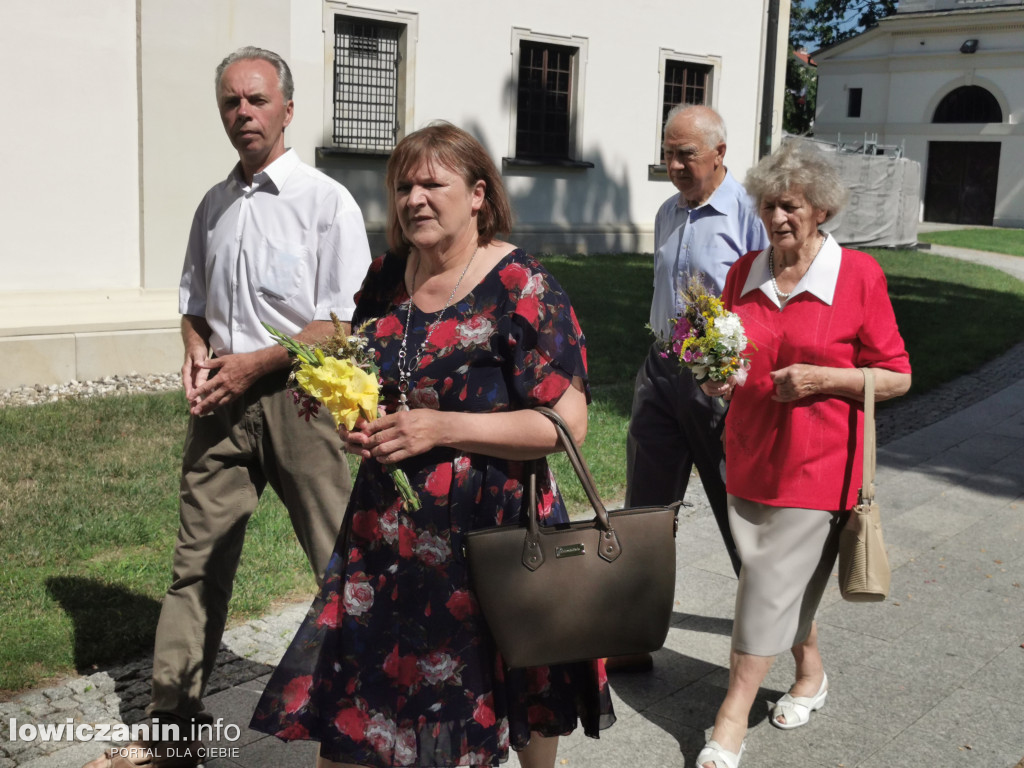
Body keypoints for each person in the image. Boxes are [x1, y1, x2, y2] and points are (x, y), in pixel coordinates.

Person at [248, 121, 614, 768]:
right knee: (359, 694)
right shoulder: (387, 278)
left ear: (477, 194)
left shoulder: (524, 288)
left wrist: (443, 427)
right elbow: (370, 376)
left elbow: (565, 425)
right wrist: (360, 420)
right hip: (385, 530)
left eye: (431, 184)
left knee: (505, 682)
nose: (414, 197)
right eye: (403, 185)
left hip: (488, 532)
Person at [84, 46, 372, 768]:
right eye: (230, 103)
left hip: (302, 404)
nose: (243, 113)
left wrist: (259, 363)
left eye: (256, 100)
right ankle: (171, 724)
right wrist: (193, 346)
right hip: (220, 403)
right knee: (196, 565)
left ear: (287, 109)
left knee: (342, 561)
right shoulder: (213, 206)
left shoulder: (324, 201)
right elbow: (194, 303)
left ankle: (376, 708)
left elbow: (344, 321)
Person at [694, 139, 911, 768]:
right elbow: (734, 360)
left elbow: (896, 376)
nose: (777, 218)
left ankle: (731, 715)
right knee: (773, 582)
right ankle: (810, 672)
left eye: (790, 206)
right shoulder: (745, 273)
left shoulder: (858, 277)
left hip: (819, 464)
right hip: (750, 452)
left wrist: (823, 380)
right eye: (767, 206)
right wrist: (716, 377)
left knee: (765, 581)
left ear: (820, 210)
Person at [609, 104, 768, 674]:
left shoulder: (751, 214)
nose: (673, 164)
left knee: (739, 510)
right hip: (661, 370)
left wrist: (735, 374)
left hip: (720, 382)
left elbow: (770, 299)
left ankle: (769, 639)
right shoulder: (667, 211)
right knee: (645, 509)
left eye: (687, 154)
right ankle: (633, 634)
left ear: (720, 153)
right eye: (668, 152)